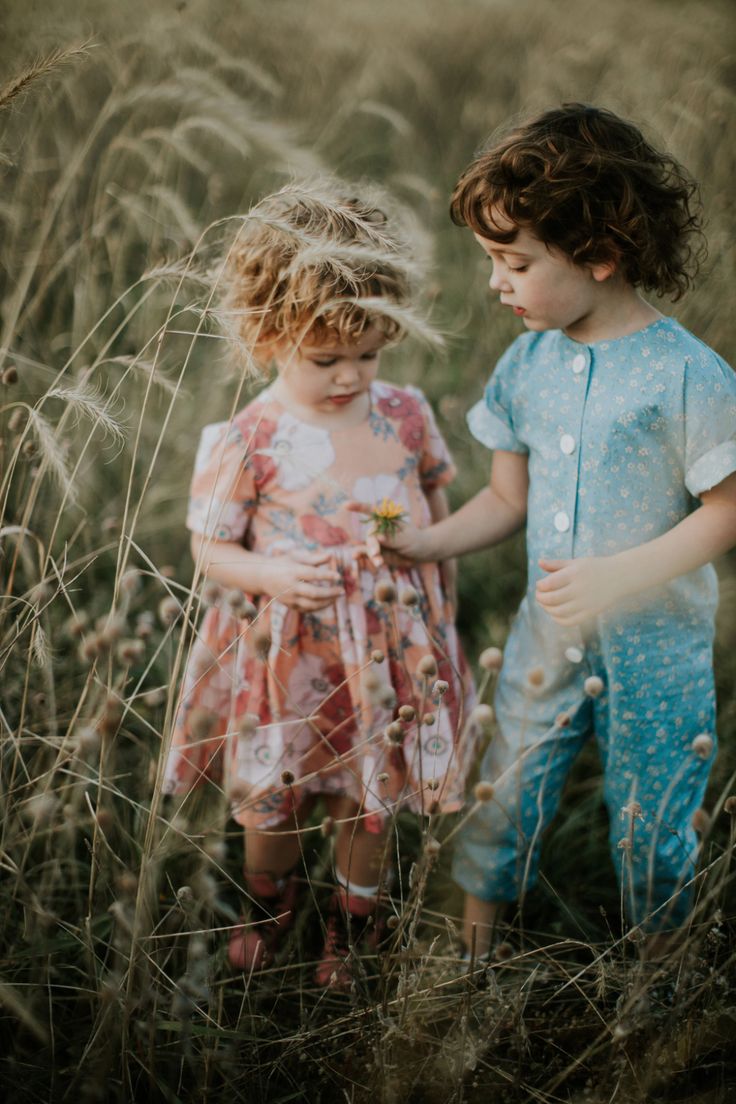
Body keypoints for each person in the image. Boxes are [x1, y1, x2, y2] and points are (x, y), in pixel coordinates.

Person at [357, 104, 736, 960]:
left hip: (656, 648)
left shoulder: (686, 377)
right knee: (502, 795)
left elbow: (727, 510)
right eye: (494, 260)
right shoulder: (528, 364)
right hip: (543, 636)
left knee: (650, 826)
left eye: (516, 262)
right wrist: (424, 542)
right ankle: (466, 968)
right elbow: (505, 500)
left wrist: (619, 576)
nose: (497, 282)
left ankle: (657, 988)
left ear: (601, 254)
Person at [163, 180, 474, 986]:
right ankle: (268, 910)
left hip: (385, 654)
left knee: (364, 801)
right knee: (277, 799)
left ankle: (352, 928)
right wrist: (268, 570)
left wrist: (439, 586)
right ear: (269, 335)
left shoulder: (402, 414)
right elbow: (210, 549)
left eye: (368, 354)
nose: (350, 376)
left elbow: (436, 507)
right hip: (288, 660)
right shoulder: (248, 437)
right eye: (326, 358)